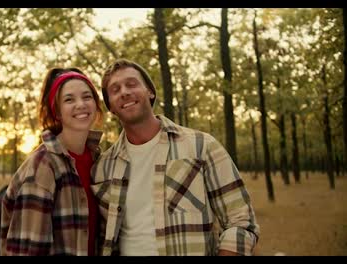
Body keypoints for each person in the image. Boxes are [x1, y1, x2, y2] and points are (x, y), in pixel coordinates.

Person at [91, 59, 260, 256]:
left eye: (131, 84)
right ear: (110, 106)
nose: (124, 92)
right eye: (115, 89)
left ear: (150, 92)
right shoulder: (103, 168)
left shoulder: (201, 146)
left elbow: (240, 220)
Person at [0, 67, 103, 256]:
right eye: (69, 99)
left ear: (96, 105)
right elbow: (27, 251)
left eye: (87, 97)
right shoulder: (43, 166)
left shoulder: (99, 160)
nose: (80, 104)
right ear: (57, 112)